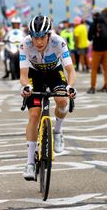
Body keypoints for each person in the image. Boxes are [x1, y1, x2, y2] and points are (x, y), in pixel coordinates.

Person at [19, 15, 76, 180]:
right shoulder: (25, 44)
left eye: (42, 37)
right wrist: (26, 86)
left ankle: (58, 131)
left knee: (62, 100)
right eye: (35, 37)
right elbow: (23, 75)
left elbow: (70, 71)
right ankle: (29, 163)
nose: (38, 42)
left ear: (49, 35)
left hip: (54, 74)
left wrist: (70, 86)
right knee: (34, 114)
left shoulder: (59, 42)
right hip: (34, 75)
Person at [87, 8, 107, 94]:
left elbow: (89, 37)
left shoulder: (94, 23)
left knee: (94, 69)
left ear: (94, 15)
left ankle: (93, 87)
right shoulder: (106, 21)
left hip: (97, 49)